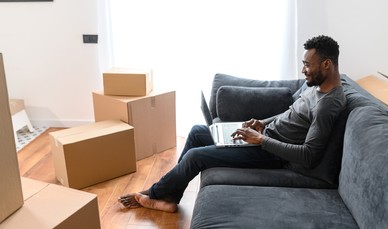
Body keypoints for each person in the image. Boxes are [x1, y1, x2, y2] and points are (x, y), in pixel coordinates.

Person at [118, 35, 347, 213]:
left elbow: (309, 155)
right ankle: (169, 196)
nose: (303, 70)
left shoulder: (329, 104)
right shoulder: (315, 86)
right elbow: (290, 113)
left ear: (326, 64)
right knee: (198, 131)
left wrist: (260, 139)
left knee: (196, 156)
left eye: (308, 65)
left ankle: (157, 193)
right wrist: (261, 123)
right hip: (264, 138)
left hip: (272, 154)